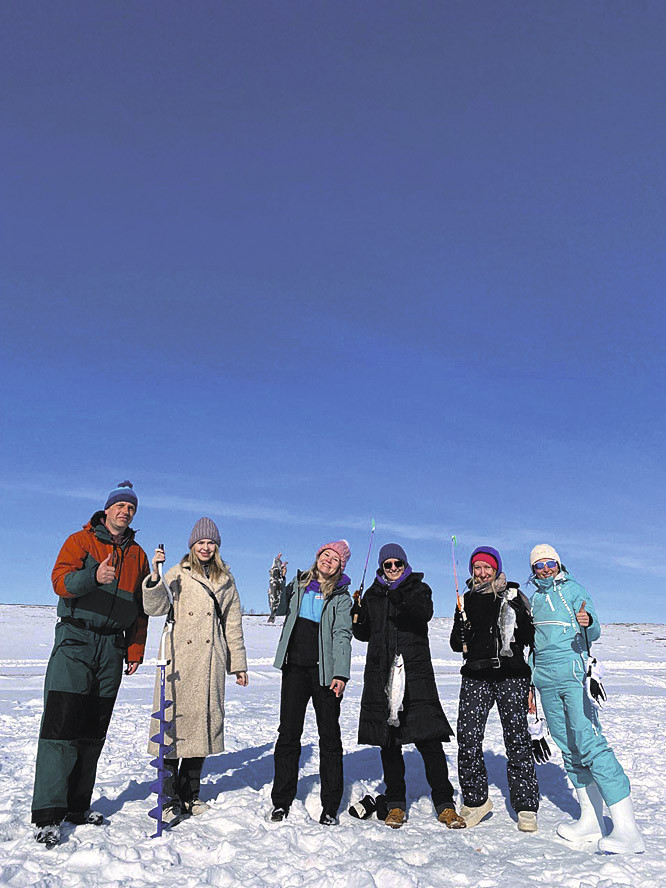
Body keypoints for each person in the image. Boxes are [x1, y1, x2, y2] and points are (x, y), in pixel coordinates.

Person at [31, 481, 149, 846]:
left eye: (131, 508)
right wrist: (93, 576)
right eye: (120, 506)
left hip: (112, 647)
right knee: (61, 728)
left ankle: (77, 807)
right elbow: (60, 582)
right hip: (76, 641)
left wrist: (134, 650)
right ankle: (49, 814)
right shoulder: (80, 541)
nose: (125, 512)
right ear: (107, 509)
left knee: (93, 732)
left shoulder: (138, 555)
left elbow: (141, 609)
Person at [528, 544, 645, 853]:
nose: (545, 568)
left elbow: (594, 629)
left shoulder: (574, 589)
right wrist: (531, 680)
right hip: (546, 680)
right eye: (539, 565)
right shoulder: (535, 599)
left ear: (558, 563)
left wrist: (588, 621)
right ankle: (590, 822)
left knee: (591, 744)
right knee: (568, 747)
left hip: (573, 675)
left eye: (550, 562)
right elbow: (533, 644)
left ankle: (627, 830)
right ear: (533, 569)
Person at [144, 517, 248, 821]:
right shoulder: (177, 573)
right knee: (172, 725)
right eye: (201, 542)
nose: (205, 547)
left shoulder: (226, 580)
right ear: (192, 545)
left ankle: (190, 794)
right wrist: (155, 574)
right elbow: (155, 608)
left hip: (210, 659)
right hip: (178, 659)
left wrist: (238, 664)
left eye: (210, 542)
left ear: (217, 546)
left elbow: (233, 624)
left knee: (201, 726)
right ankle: (168, 797)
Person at [353, 543, 463, 829]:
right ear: (381, 567)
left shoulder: (418, 588)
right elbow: (364, 633)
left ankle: (445, 803)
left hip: (415, 675)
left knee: (429, 739)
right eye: (387, 565)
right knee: (389, 743)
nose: (392, 568)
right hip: (382, 675)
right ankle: (395, 804)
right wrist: (358, 615)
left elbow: (423, 612)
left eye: (397, 564)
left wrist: (399, 595)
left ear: (404, 565)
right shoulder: (373, 594)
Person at [450, 546, 539, 831]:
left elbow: (529, 637)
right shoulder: (465, 600)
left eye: (487, 567)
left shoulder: (513, 595)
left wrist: (520, 616)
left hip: (511, 675)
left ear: (496, 569)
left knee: (517, 738)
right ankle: (476, 801)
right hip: (476, 674)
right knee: (468, 737)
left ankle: (525, 806)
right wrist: (461, 634)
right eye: (477, 567)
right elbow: (455, 644)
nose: (482, 572)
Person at [269, 540, 353, 826]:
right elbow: (279, 608)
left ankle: (330, 806)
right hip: (294, 669)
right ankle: (281, 801)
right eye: (325, 555)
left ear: (340, 567)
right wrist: (278, 580)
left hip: (325, 674)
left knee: (329, 738)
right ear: (318, 557)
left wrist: (340, 674)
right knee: (288, 734)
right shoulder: (298, 584)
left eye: (335, 559)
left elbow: (342, 634)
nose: (328, 560)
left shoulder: (341, 596)